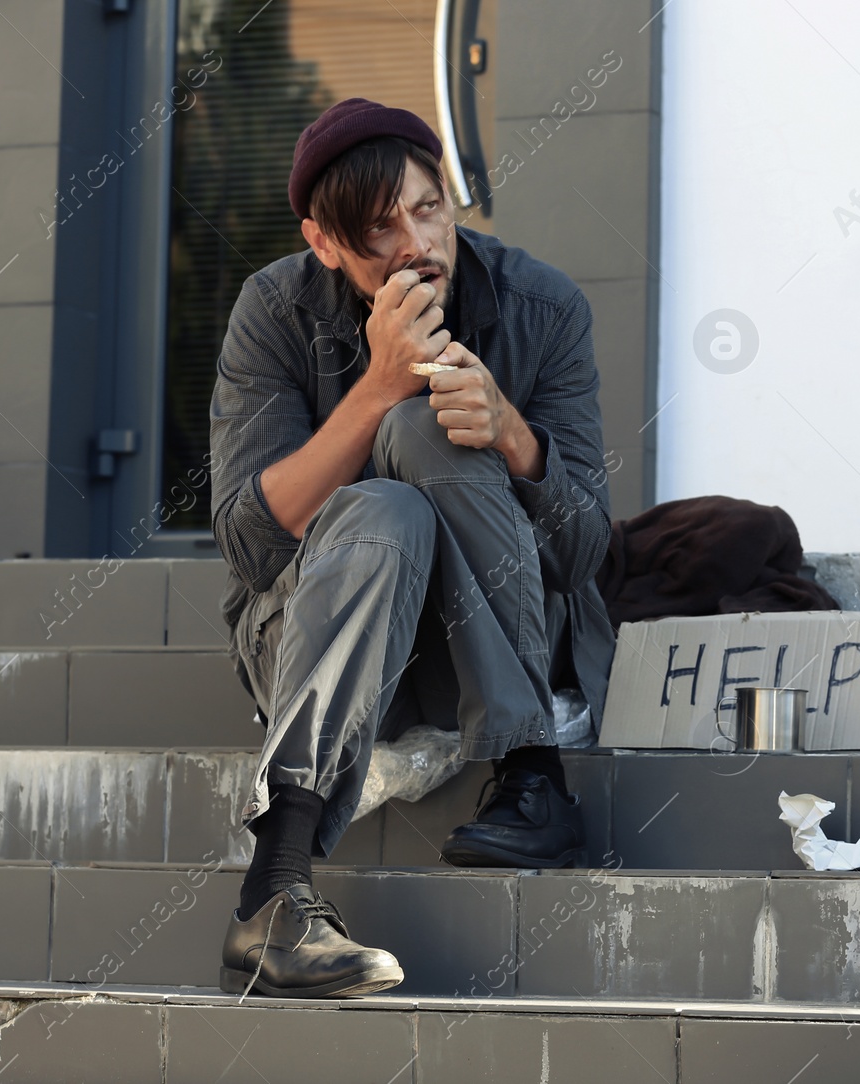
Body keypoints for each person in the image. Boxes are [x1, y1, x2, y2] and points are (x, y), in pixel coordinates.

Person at [208, 97, 616, 999]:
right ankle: (275, 890)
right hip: (334, 648)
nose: (415, 243)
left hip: (495, 641)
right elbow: (246, 544)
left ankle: (529, 775)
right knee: (387, 504)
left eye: (428, 208)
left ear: (451, 195)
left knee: (429, 435)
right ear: (324, 244)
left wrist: (512, 432)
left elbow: (585, 554)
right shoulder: (274, 311)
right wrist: (375, 391)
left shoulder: (543, 308)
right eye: (378, 230)